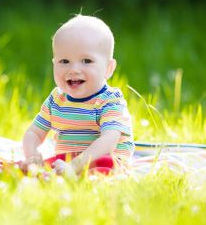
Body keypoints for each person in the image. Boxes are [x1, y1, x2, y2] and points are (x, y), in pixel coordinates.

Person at [21, 14, 134, 177]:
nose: (73, 69)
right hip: (65, 163)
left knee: (105, 169)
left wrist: (76, 166)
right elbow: (34, 133)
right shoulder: (56, 100)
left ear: (108, 68)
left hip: (103, 161)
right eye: (64, 61)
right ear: (54, 64)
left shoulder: (109, 101)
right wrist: (32, 156)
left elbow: (109, 140)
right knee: (30, 169)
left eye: (86, 61)